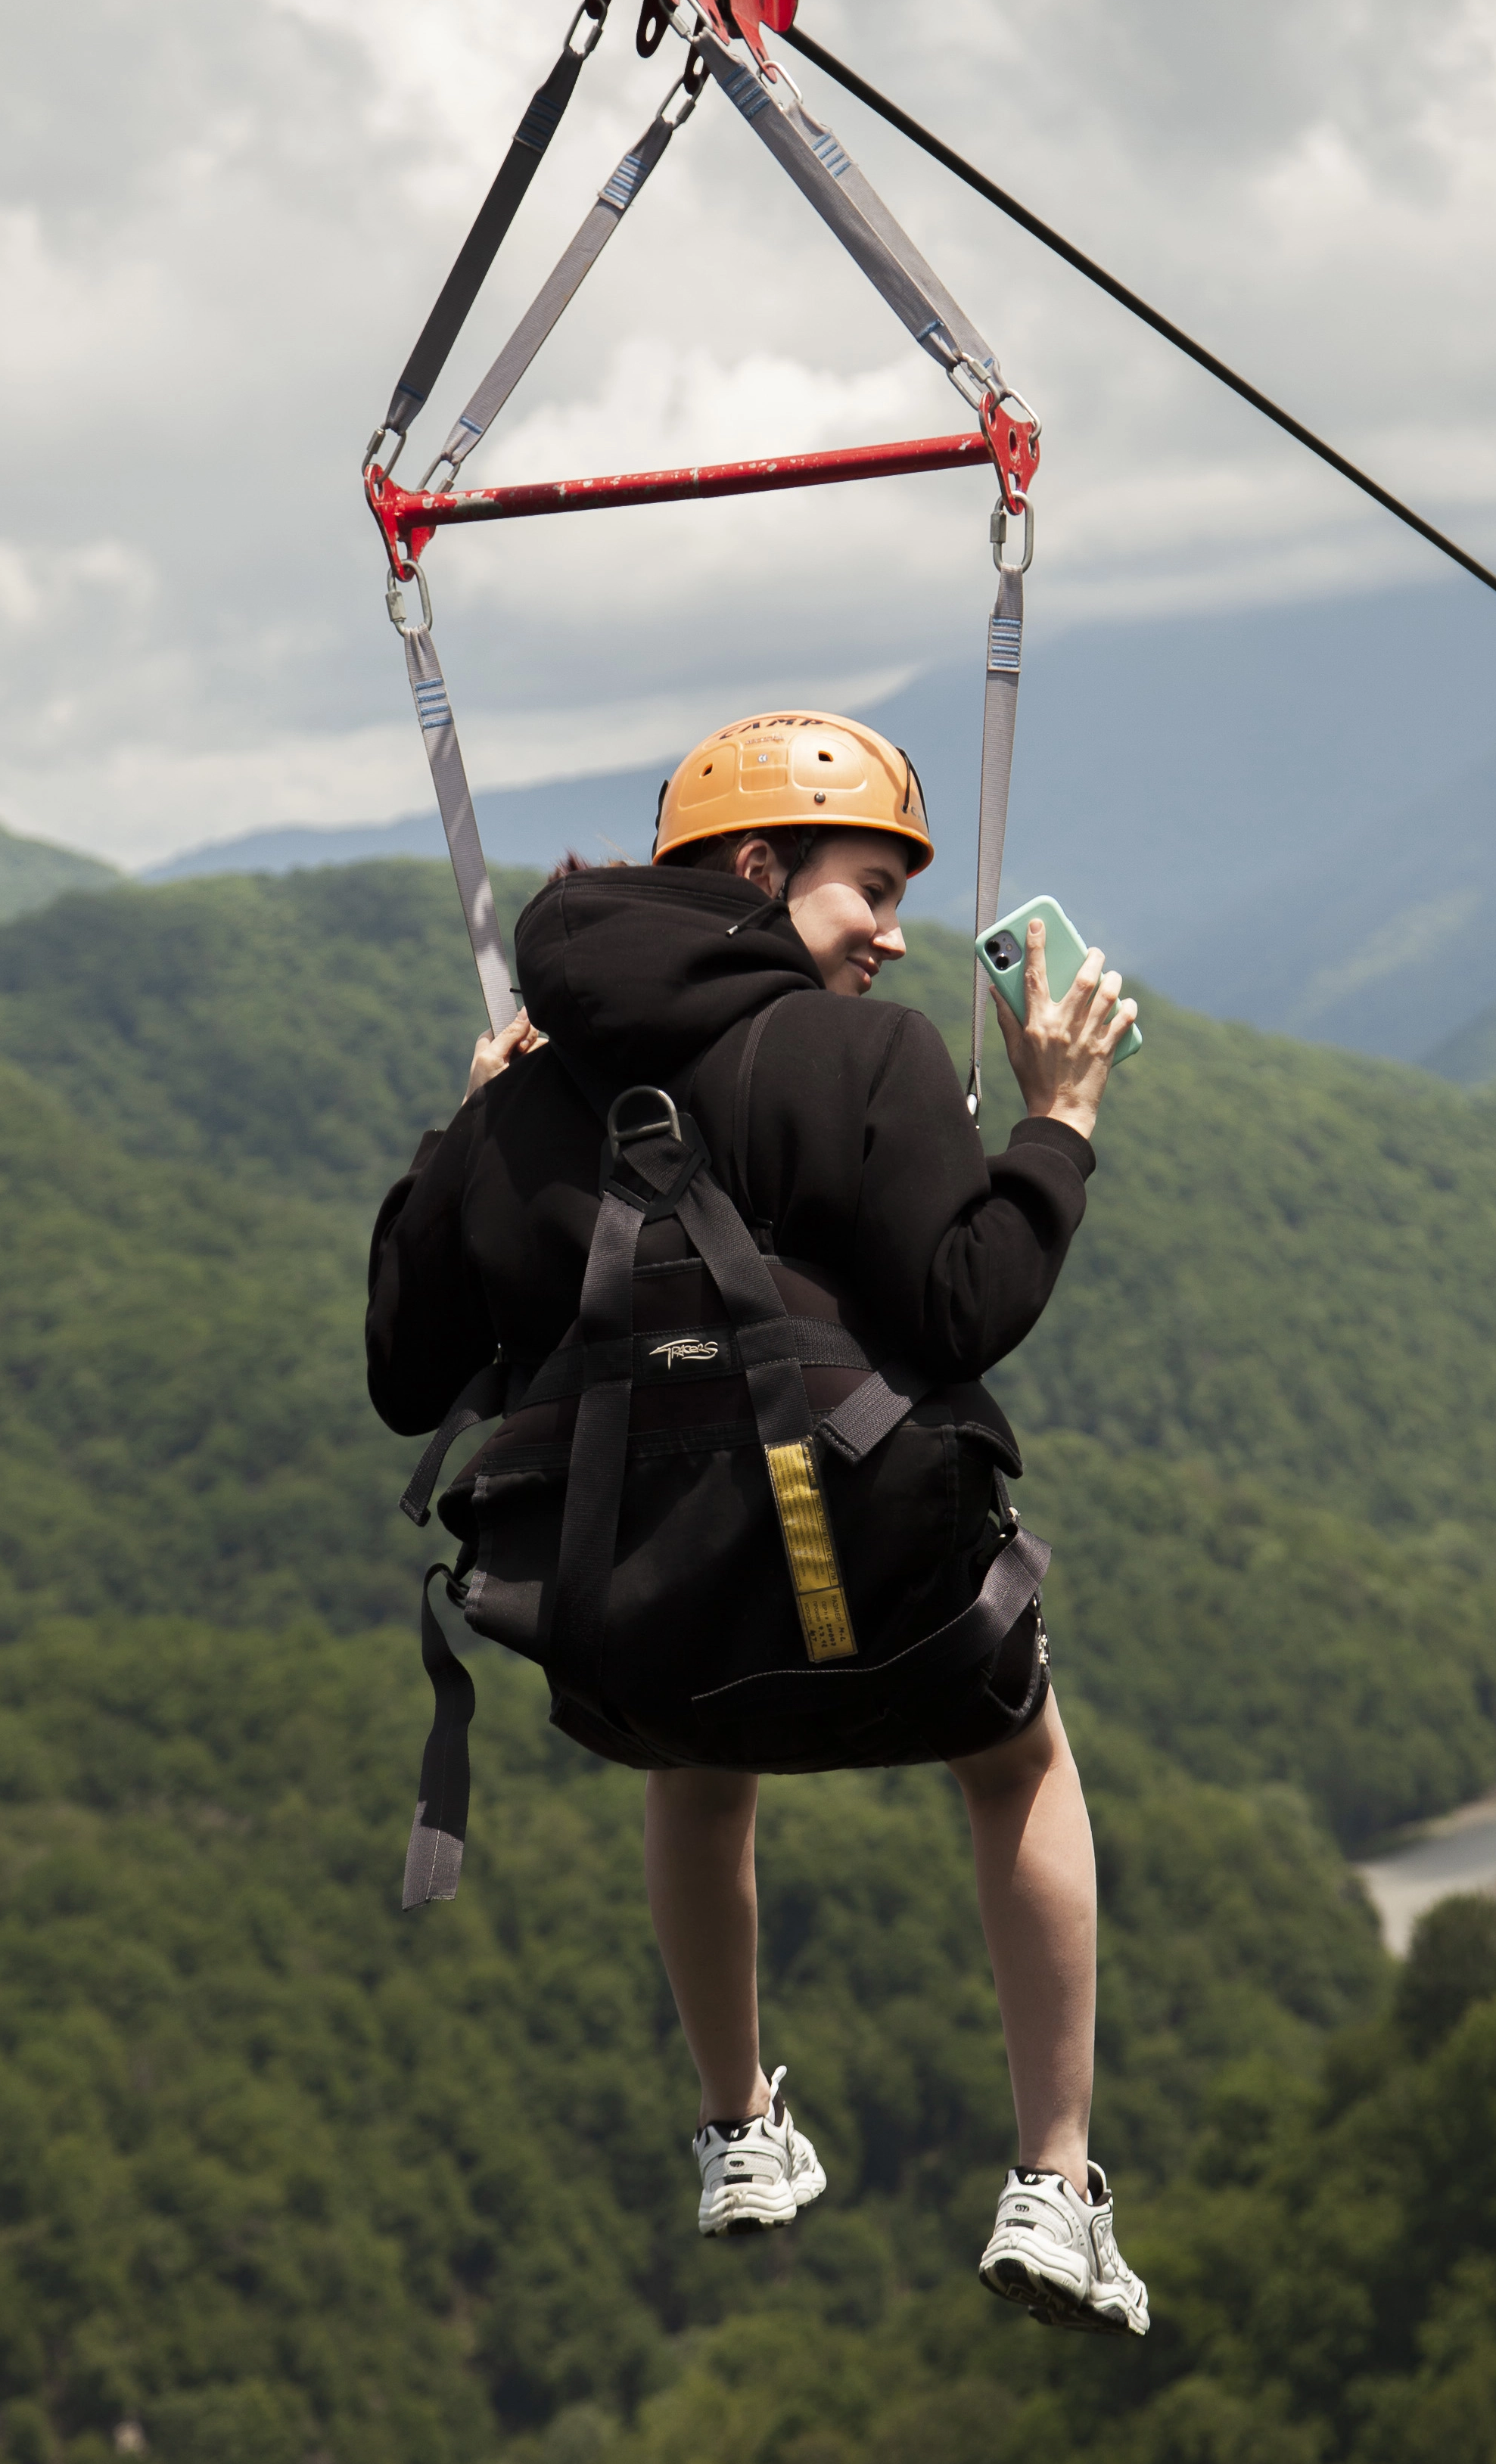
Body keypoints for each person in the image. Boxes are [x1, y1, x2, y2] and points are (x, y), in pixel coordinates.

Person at [365, 710, 1148, 2336]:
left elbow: (400, 1372)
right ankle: (1059, 2183)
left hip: (632, 1636)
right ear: (756, 867)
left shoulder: (521, 1104)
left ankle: (735, 2128)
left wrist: (458, 1139)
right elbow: (963, 1308)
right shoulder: (867, 1057)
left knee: (696, 1759)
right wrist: (1058, 1123)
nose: (892, 929)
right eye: (869, 885)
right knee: (1017, 1757)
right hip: (881, 1590)